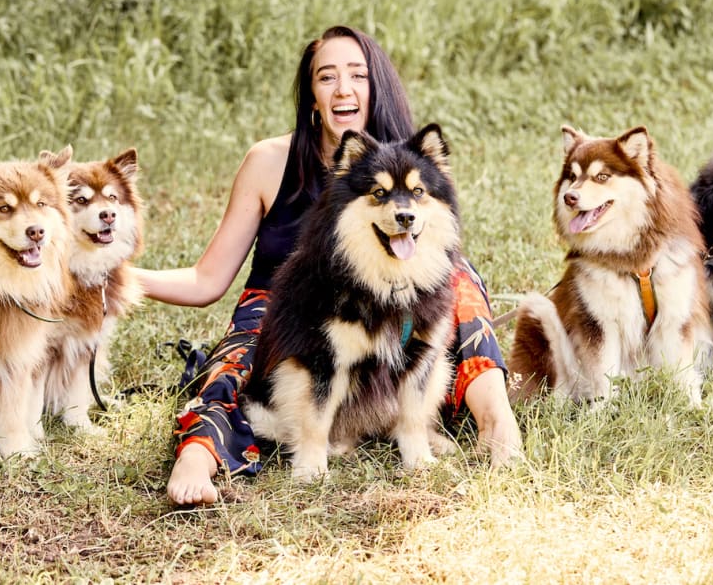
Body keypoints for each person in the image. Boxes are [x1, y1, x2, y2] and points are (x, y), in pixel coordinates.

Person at [134, 26, 521, 506]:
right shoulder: (270, 160)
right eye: (327, 77)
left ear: (374, 87)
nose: (343, 88)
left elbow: (435, 245)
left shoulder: (405, 162)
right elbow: (207, 278)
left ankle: (496, 422)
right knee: (234, 362)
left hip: (393, 302)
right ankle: (198, 456)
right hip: (279, 302)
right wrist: (125, 279)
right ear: (312, 95)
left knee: (461, 282)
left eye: (357, 75)